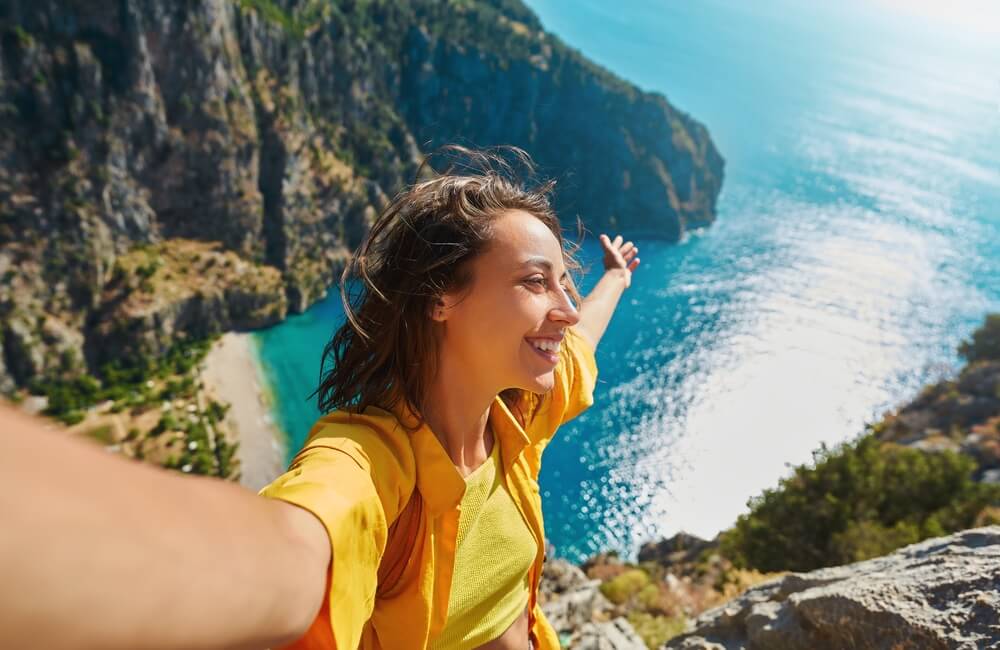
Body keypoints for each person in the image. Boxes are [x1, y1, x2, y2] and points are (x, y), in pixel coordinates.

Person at [0, 145, 639, 650]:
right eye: (536, 281)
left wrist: (615, 276)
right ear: (442, 297)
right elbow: (290, 546)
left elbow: (580, 338)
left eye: (565, 281)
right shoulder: (369, 464)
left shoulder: (519, 415)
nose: (566, 306)